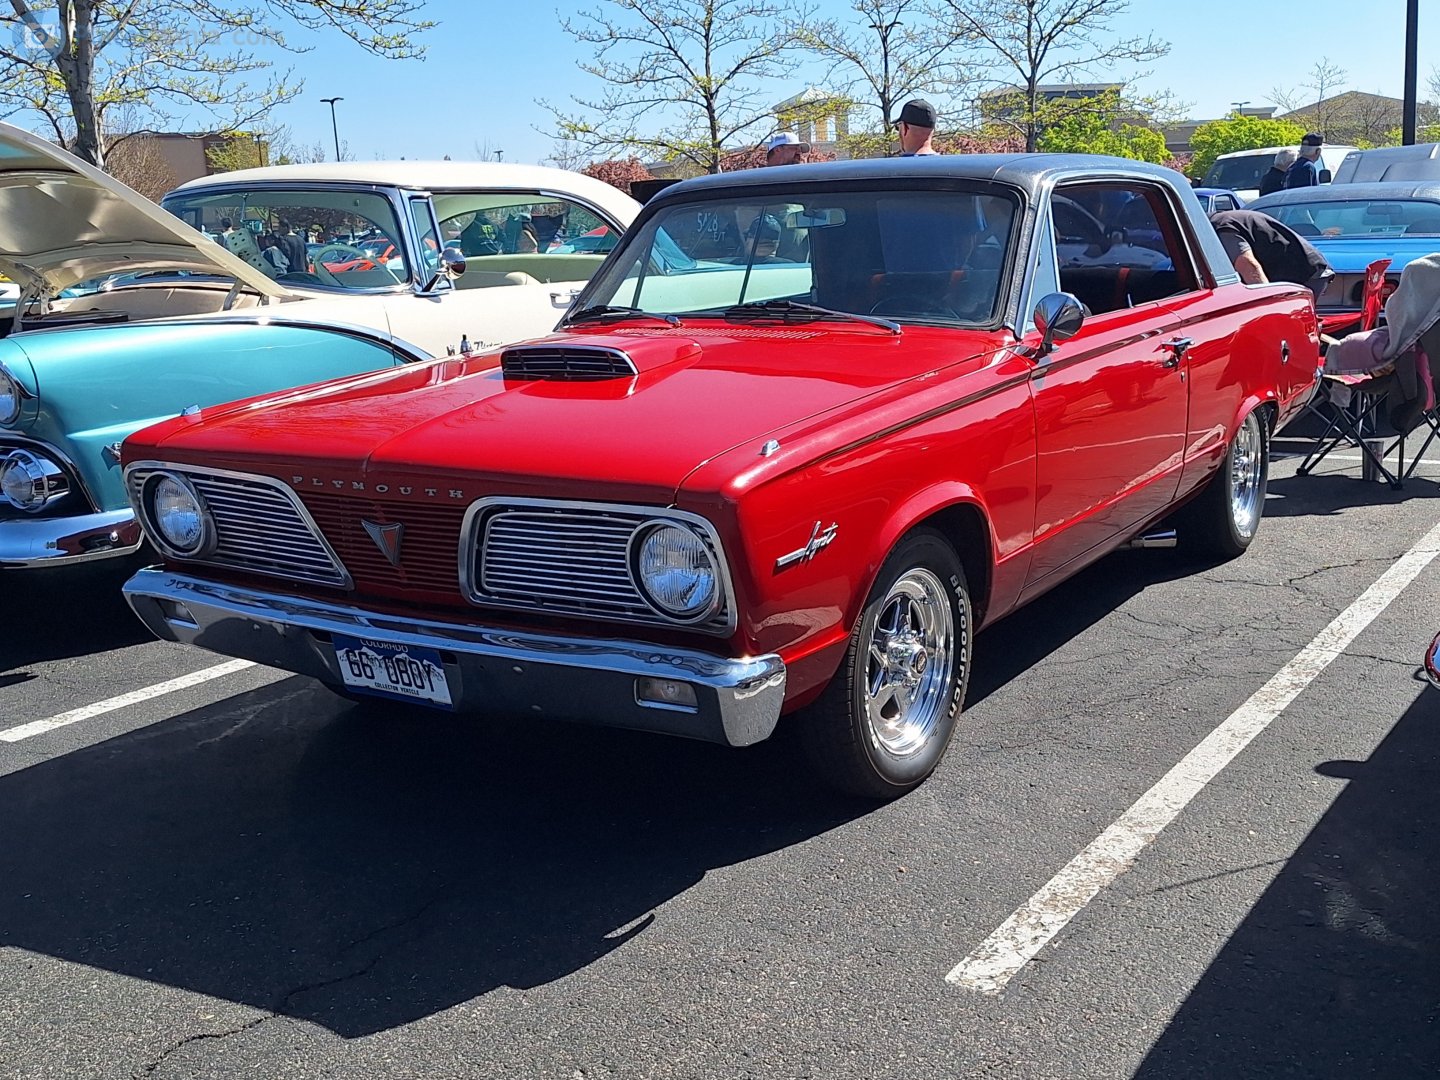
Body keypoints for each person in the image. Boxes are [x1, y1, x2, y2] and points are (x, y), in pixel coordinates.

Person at [1209, 208, 1333, 300]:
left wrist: (1267, 304)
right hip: (1301, 269)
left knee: (1285, 322)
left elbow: (1249, 266)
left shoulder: (1221, 228)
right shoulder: (1223, 221)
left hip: (1306, 272)